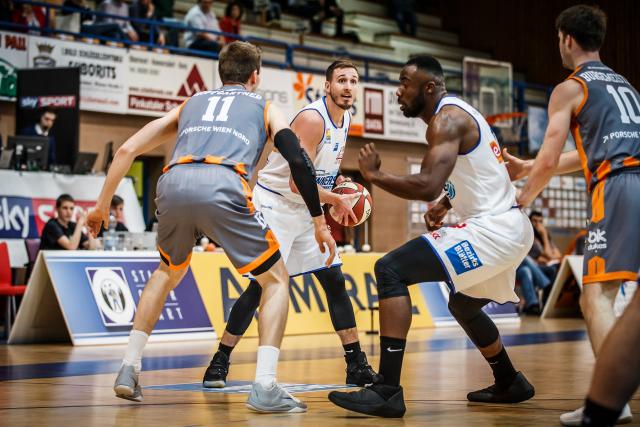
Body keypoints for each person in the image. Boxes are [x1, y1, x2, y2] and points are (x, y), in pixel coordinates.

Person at [86, 41, 335, 413]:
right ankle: (265, 385)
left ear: (221, 73)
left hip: (173, 182)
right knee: (275, 280)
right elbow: (298, 159)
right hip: (224, 181)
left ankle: (128, 367)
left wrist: (101, 205)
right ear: (255, 76)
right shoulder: (266, 106)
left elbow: (126, 150)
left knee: (166, 271)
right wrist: (319, 221)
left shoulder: (191, 102)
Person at [327, 56, 535, 418]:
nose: (398, 91)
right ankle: (509, 380)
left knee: (390, 269)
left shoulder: (446, 119)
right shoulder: (455, 117)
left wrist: (375, 176)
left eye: (405, 83)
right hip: (509, 227)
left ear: (429, 87)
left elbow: (426, 184)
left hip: (494, 230)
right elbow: (481, 174)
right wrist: (445, 203)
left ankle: (387, 390)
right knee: (463, 305)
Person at [202, 60, 380, 389]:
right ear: (327, 86)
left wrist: (339, 185)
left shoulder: (345, 119)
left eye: (353, 81)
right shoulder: (313, 119)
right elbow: (298, 183)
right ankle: (220, 360)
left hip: (306, 208)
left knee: (334, 279)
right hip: (277, 205)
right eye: (341, 80)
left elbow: (317, 172)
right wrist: (335, 200)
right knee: (261, 286)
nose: (348, 87)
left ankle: (356, 364)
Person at [503, 5, 640, 425]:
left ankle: (611, 400)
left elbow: (550, 159)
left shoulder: (570, 87)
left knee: (595, 296)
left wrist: (521, 198)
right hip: (633, 177)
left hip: (618, 189)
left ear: (566, 38)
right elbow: (582, 154)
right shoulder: (624, 84)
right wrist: (530, 166)